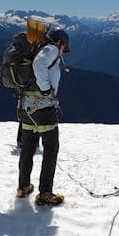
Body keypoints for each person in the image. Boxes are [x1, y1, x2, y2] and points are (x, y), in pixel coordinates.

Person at [16, 28, 70, 206]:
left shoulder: (37, 48)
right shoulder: (51, 49)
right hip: (43, 109)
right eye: (65, 47)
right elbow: (39, 65)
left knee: (28, 148)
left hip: (26, 108)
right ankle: (45, 193)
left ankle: (23, 187)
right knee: (50, 149)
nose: (63, 51)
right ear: (60, 42)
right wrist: (46, 89)